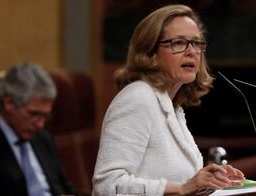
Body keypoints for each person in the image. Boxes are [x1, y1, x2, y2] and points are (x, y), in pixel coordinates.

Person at [92, 4, 245, 196]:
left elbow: (178, 182)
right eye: (179, 43)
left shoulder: (171, 104)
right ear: (151, 53)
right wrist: (182, 188)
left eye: (196, 43)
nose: (191, 51)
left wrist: (210, 182)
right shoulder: (137, 98)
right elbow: (106, 185)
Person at [0, 63, 76, 196]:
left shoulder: (44, 139)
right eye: (34, 114)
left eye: (45, 116)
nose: (40, 125)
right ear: (9, 103)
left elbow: (65, 188)